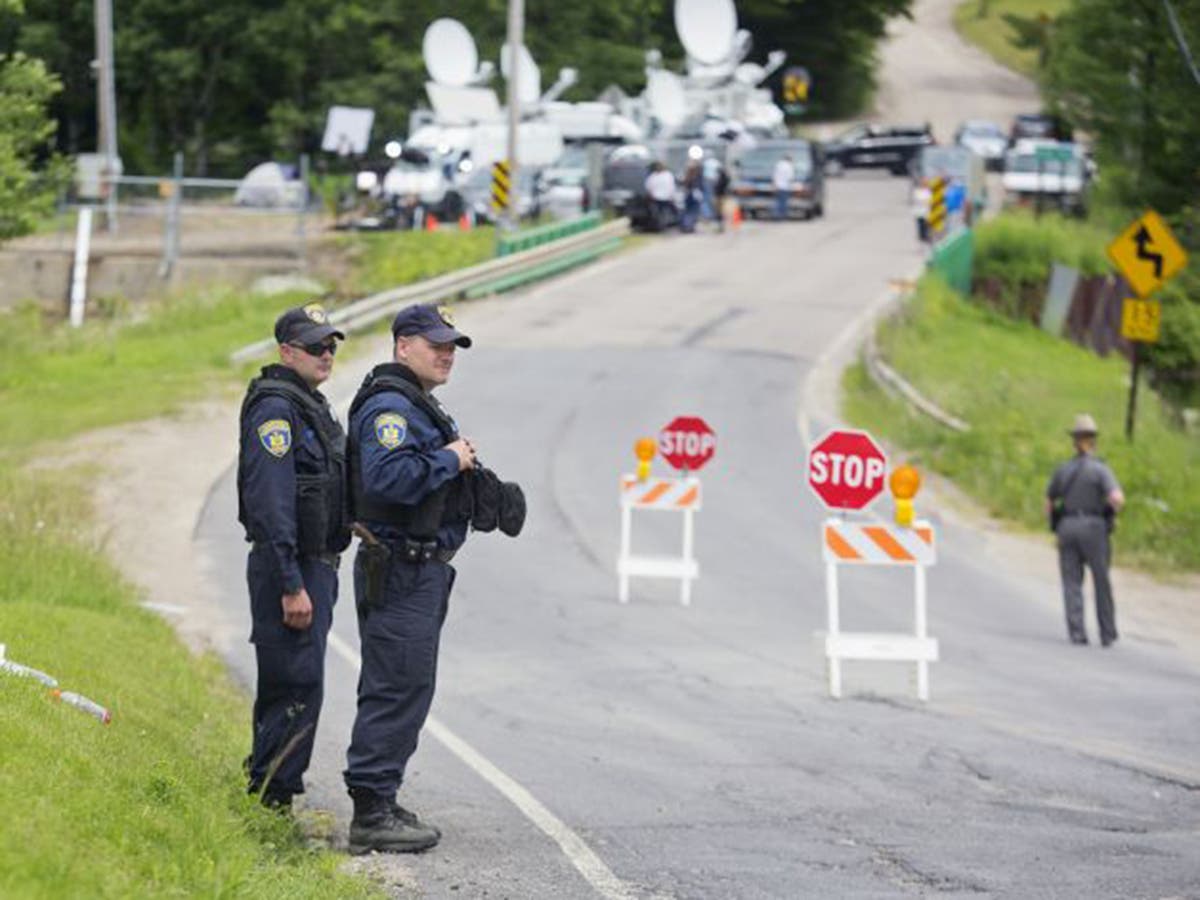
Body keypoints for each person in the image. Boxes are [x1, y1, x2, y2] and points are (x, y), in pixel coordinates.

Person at [342, 303, 482, 855]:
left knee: (407, 685)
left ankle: (383, 795)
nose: (447, 353)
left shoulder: (418, 404)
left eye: (452, 345)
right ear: (403, 346)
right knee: (395, 685)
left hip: (416, 567)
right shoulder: (390, 407)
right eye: (436, 343)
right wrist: (450, 460)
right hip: (400, 566)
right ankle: (371, 812)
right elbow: (387, 480)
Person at [237, 303, 348, 811]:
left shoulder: (307, 402)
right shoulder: (276, 409)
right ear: (286, 351)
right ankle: (270, 799)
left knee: (298, 681)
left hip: (310, 564)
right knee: (294, 684)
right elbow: (271, 501)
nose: (326, 354)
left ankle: (270, 786)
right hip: (292, 567)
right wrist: (290, 583)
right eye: (315, 347)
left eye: (330, 345)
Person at [1045, 414, 1125, 647]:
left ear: (1074, 440)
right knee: (1101, 580)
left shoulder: (1063, 470)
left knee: (1071, 582)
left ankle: (1077, 631)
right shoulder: (1101, 470)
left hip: (1067, 527)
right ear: (1094, 440)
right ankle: (1107, 632)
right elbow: (1117, 498)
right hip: (1094, 528)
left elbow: (1049, 502)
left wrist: (1056, 525)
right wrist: (1110, 513)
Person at [643, 161, 677, 232]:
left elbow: (671, 187)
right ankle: (659, 226)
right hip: (656, 197)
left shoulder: (668, 175)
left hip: (665, 197)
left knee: (664, 212)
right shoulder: (653, 176)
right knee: (658, 213)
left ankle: (662, 225)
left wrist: (672, 196)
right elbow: (649, 186)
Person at [772, 153, 795, 221]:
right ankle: (782, 216)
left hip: (778, 186)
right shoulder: (789, 166)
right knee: (783, 202)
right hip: (785, 186)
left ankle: (775, 215)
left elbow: (774, 176)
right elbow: (790, 177)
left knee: (777, 201)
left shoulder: (778, 164)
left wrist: (774, 185)